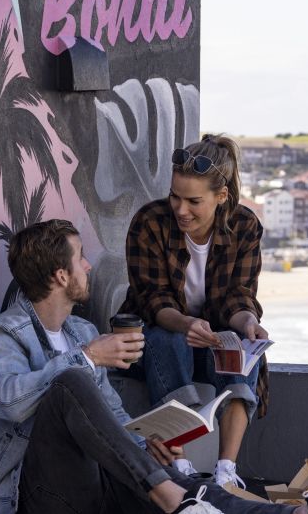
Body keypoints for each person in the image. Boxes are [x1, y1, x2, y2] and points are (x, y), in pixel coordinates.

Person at [0, 219, 308, 514]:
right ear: (60, 275)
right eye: (80, 258)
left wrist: (146, 444)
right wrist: (90, 358)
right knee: (71, 383)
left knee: (193, 488)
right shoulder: (2, 335)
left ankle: (303, 512)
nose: (88, 265)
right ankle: (166, 493)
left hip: (99, 485)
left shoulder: (79, 330)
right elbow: (8, 403)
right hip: (30, 497)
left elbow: (111, 418)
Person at [120, 133, 269, 488]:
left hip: (213, 342)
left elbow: (238, 296)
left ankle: (226, 472)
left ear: (222, 197)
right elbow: (152, 300)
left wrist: (248, 322)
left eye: (193, 201)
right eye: (175, 196)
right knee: (170, 341)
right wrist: (186, 323)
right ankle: (180, 467)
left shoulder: (245, 226)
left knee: (242, 348)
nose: (181, 210)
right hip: (157, 342)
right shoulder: (150, 222)